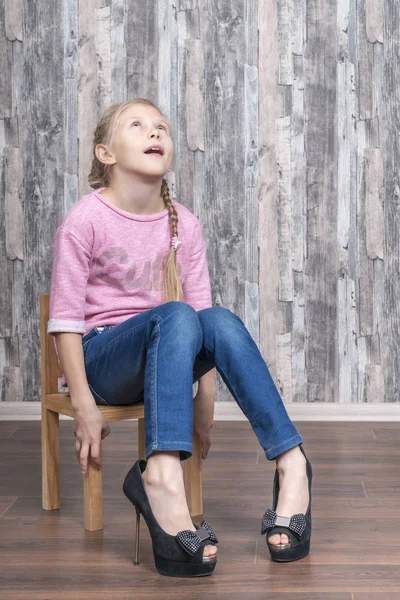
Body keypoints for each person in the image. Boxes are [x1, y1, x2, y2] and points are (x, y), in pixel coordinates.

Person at [47, 97, 313, 577]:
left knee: (216, 318)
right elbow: (65, 322)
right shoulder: (84, 220)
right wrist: (84, 406)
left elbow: (205, 324)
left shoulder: (184, 224)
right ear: (105, 153)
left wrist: (204, 405)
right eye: (138, 125)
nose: (154, 133)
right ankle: (162, 475)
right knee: (175, 314)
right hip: (103, 362)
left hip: (169, 351)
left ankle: (292, 462)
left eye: (161, 127)